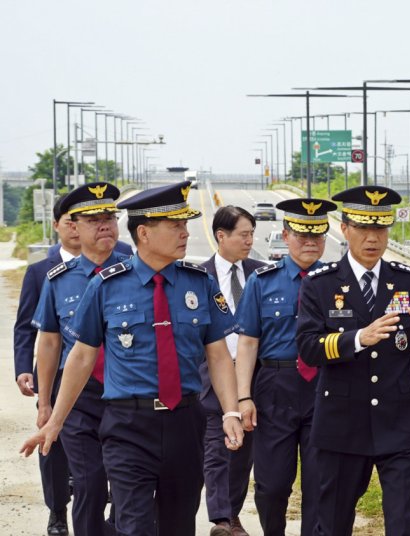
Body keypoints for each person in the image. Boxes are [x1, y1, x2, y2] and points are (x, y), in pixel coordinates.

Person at [21, 181, 245, 536]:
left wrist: (231, 410)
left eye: (186, 225)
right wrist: (54, 420)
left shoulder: (199, 282)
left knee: (178, 525)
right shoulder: (106, 285)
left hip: (186, 422)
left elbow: (218, 354)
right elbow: (80, 357)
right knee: (134, 525)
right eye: (176, 226)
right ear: (143, 232)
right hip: (127, 425)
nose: (185, 233)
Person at [295, 186, 410, 536]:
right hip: (341, 425)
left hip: (396, 422)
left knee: (402, 522)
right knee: (334, 522)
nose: (373, 238)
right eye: (364, 228)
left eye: (380, 229)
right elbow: (307, 347)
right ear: (344, 228)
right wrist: (357, 338)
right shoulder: (321, 285)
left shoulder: (407, 281)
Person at [32, 182, 130, 535]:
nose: (105, 225)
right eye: (94, 219)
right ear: (74, 226)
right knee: (88, 483)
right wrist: (46, 403)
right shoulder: (58, 281)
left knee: (126, 487)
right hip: (77, 397)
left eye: (110, 217)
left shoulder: (136, 272)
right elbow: (48, 344)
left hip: (125, 395)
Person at [236, 197, 337, 535]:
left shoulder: (337, 283)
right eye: (302, 235)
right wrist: (242, 398)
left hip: (325, 386)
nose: (310, 243)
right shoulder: (262, 282)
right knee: (272, 484)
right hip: (274, 387)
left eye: (317, 236)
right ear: (286, 235)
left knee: (320, 483)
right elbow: (248, 342)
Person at [13, 197, 77, 536]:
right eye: (69, 221)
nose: (76, 227)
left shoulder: (118, 259)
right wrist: (24, 367)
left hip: (104, 373)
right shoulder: (40, 268)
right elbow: (25, 325)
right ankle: (57, 512)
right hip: (54, 373)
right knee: (53, 442)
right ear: (56, 225)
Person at [200, 206, 264, 536]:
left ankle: (233, 512)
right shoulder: (199, 276)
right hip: (213, 374)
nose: (249, 241)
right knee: (217, 444)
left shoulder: (260, 273)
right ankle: (221, 519)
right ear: (221, 236)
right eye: (243, 234)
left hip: (252, 374)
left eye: (252, 234)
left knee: (243, 451)